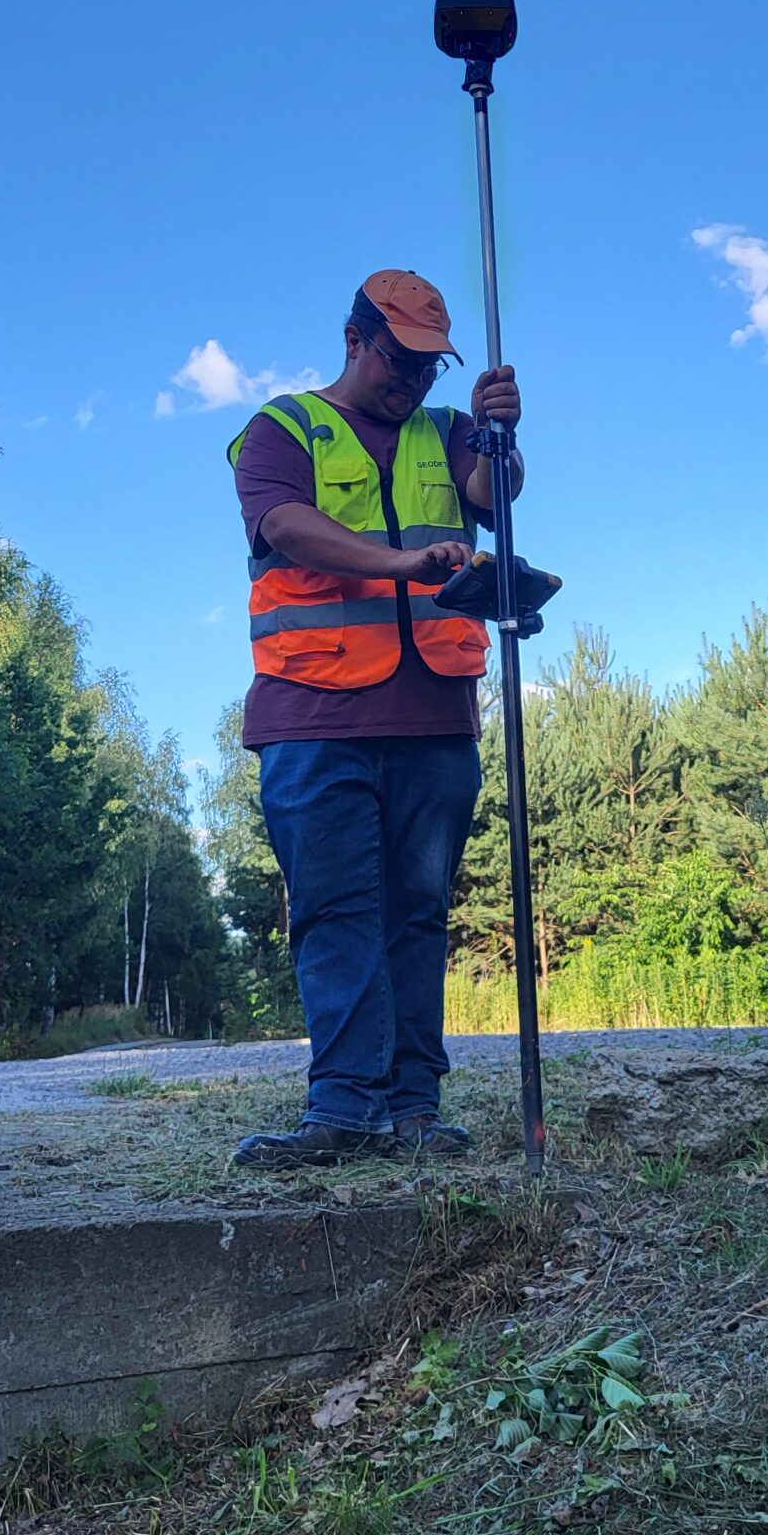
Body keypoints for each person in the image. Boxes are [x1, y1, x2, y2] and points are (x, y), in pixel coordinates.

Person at [226, 268, 522, 1168]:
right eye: (401, 361)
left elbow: (494, 494)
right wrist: (399, 567)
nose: (415, 381)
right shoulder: (282, 429)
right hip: (313, 715)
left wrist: (501, 435)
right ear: (355, 341)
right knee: (335, 910)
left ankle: (414, 1110)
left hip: (434, 714)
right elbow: (287, 527)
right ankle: (344, 1108)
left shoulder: (450, 429)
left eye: (432, 367)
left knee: (418, 913)